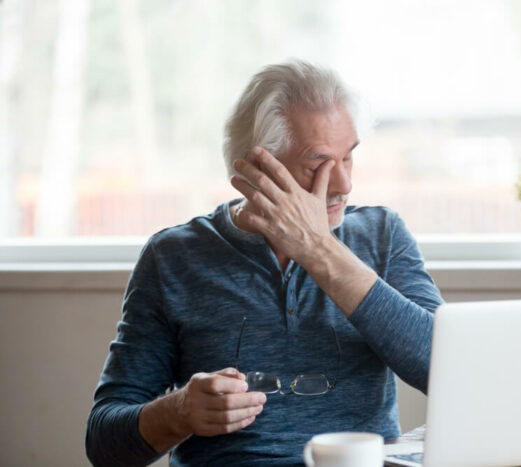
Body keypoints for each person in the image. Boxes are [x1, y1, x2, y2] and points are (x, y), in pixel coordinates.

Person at [85, 59, 443, 466]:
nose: (344, 183)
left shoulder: (383, 235)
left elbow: (449, 372)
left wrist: (318, 249)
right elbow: (104, 444)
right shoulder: (172, 257)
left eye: (349, 158)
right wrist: (180, 411)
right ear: (258, 170)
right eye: (318, 165)